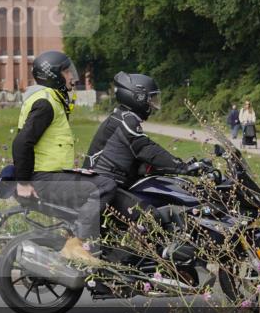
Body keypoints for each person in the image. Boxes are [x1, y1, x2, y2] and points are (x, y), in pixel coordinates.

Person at [13, 50, 115, 266]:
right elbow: (22, 142)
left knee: (101, 179)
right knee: (103, 186)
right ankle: (76, 242)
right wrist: (22, 182)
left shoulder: (53, 100)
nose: (71, 75)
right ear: (53, 75)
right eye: (66, 71)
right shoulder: (46, 103)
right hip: (44, 179)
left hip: (51, 175)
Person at [85, 72, 212, 229]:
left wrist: (180, 165)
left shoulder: (123, 117)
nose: (152, 104)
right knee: (151, 218)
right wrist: (183, 168)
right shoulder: (125, 120)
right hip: (104, 188)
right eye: (150, 99)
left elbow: (139, 158)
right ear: (137, 97)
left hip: (109, 184)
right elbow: (146, 149)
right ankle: (146, 254)